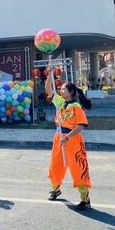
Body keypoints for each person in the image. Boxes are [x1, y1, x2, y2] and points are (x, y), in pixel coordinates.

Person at [45, 67, 93, 210]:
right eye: (61, 89)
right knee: (55, 165)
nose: (61, 91)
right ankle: (55, 189)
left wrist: (67, 138)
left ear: (71, 92)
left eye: (64, 90)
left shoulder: (76, 107)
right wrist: (50, 74)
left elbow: (80, 125)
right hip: (58, 138)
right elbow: (49, 90)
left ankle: (85, 198)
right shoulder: (60, 103)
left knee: (78, 168)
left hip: (73, 140)